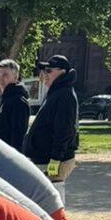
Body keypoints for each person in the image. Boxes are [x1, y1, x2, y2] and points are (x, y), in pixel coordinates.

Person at [24, 55, 80, 185]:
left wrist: (55, 158)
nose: (44, 74)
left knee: (50, 202)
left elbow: (64, 130)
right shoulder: (56, 92)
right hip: (45, 158)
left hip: (54, 161)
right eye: (43, 71)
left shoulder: (64, 95)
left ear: (62, 72)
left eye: (49, 71)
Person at [0, 59, 30, 152]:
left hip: (8, 157)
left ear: (15, 77)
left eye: (5, 75)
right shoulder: (5, 99)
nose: (1, 79)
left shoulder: (18, 102)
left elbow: (18, 137)